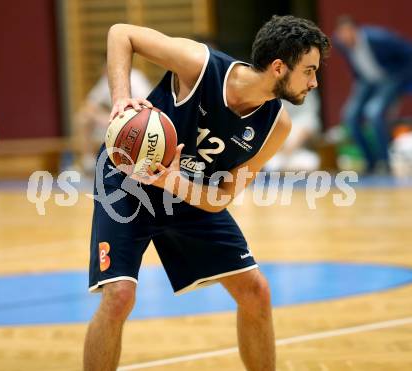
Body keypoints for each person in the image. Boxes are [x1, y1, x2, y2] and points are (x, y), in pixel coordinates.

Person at [84, 15, 330, 371]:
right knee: (119, 295)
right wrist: (122, 101)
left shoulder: (276, 126)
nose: (315, 81)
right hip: (127, 179)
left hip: (186, 192)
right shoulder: (200, 65)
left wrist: (173, 183)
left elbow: (221, 199)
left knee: (255, 292)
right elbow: (121, 34)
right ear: (279, 67)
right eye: (308, 70)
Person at [334, 16, 412, 173]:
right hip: (366, 81)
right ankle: (370, 161)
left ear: (356, 31)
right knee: (349, 116)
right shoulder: (340, 43)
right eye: (341, 35)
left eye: (347, 33)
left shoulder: (379, 38)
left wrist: (402, 80)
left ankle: (384, 162)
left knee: (374, 113)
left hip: (389, 77)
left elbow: (407, 52)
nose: (344, 38)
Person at [75, 66, 152, 174]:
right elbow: (89, 105)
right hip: (113, 119)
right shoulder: (107, 79)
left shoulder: (136, 78)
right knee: (83, 118)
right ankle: (88, 162)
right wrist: (100, 117)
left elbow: (146, 107)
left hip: (136, 120)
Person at [266, 90, 321, 171]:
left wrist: (291, 147)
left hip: (296, 151)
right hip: (271, 151)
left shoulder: (306, 89)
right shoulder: (268, 89)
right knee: (271, 164)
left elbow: (310, 120)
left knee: (311, 162)